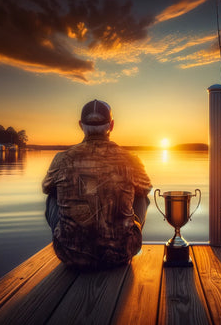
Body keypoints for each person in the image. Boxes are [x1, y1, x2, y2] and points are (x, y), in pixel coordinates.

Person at [42, 99, 152, 269]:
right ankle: (124, 238)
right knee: (142, 196)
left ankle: (70, 239)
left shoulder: (62, 159)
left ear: (80, 125)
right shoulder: (131, 159)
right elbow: (146, 189)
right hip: (121, 254)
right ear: (112, 125)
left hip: (69, 255)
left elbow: (46, 188)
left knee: (52, 194)